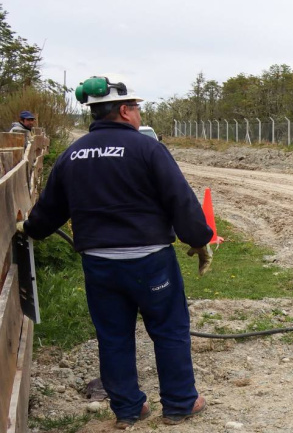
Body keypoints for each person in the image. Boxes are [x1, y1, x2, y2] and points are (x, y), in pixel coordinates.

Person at [17, 74, 213, 428]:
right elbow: (179, 199)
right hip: (152, 262)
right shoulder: (148, 149)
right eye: (136, 107)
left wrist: (29, 230)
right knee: (168, 329)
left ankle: (127, 410)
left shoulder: (72, 155)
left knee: (113, 336)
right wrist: (198, 240)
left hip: (100, 265)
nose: (138, 113)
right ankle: (181, 403)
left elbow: (49, 211)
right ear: (124, 110)